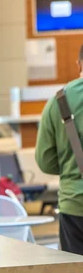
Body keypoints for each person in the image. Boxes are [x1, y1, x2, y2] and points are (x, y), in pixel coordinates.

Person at [36, 44, 83, 254]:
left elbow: (45, 161)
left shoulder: (59, 101)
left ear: (79, 64)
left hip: (75, 204)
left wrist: (70, 165)